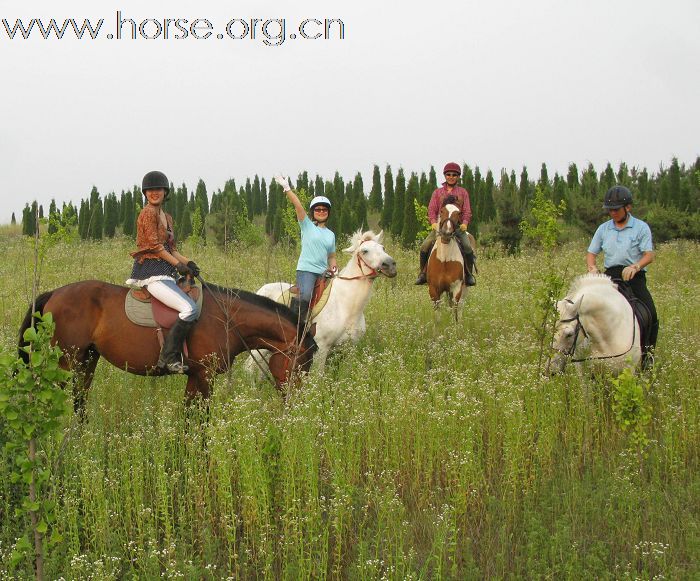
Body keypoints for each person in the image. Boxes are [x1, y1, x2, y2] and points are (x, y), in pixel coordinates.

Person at [126, 170, 201, 374]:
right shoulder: (147, 213)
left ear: (165, 191)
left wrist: (189, 262)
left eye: (157, 189)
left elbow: (172, 249)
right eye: (149, 190)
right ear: (145, 193)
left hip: (167, 272)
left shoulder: (167, 217)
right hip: (152, 273)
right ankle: (169, 357)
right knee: (190, 310)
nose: (153, 192)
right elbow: (157, 247)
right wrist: (178, 265)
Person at [586, 185, 659, 367]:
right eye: (610, 210)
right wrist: (592, 267)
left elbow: (649, 255)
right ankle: (592, 355)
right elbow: (591, 253)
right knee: (589, 310)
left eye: (616, 209)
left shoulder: (641, 228)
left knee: (650, 313)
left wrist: (636, 266)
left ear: (628, 207)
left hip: (634, 277)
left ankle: (647, 355)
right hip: (610, 276)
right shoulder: (603, 229)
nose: (612, 213)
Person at [274, 175, 337, 326]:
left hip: (323, 272)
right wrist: (287, 189)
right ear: (313, 212)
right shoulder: (307, 225)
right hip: (307, 271)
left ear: (328, 212)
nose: (321, 211)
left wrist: (334, 267)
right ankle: (293, 327)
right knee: (306, 296)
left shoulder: (331, 234)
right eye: (318, 209)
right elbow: (298, 206)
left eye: (324, 209)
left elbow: (332, 256)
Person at [415, 162, 476, 286]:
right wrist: (433, 222)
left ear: (458, 177)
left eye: (454, 174)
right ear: (445, 176)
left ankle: (469, 275)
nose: (451, 176)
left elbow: (467, 211)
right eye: (448, 174)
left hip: (457, 227)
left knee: (468, 247)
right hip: (440, 228)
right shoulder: (437, 193)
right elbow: (431, 209)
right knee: (425, 246)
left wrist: (464, 223)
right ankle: (423, 273)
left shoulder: (463, 192)